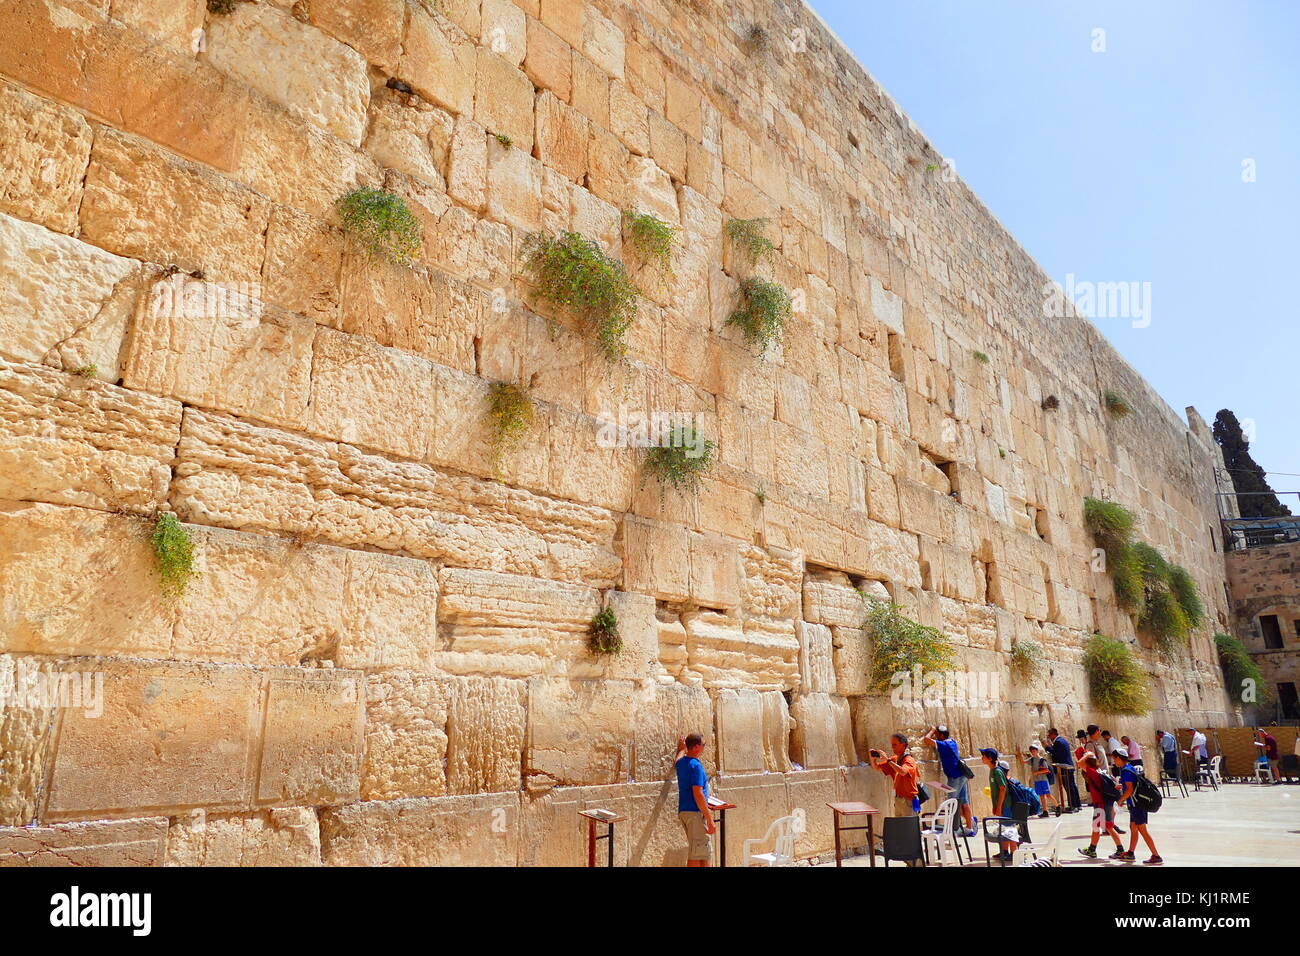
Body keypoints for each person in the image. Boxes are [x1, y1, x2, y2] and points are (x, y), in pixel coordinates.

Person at [923, 725, 976, 836]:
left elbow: (926, 739)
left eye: (937, 735)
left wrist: (932, 730)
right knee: (964, 803)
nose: (936, 737)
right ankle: (970, 826)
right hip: (962, 776)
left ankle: (952, 830)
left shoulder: (943, 745)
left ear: (941, 735)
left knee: (951, 805)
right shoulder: (952, 742)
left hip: (954, 778)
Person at [674, 733, 715, 867]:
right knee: (697, 852)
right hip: (695, 812)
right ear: (696, 747)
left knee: (702, 851)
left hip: (685, 811)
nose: (704, 748)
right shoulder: (695, 766)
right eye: (703, 745)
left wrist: (682, 749)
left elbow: (677, 760)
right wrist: (709, 818)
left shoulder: (682, 763)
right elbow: (698, 793)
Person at [1114, 751, 1163, 865]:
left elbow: (1130, 790)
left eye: (1115, 758)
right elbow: (1133, 784)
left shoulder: (1126, 771)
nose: (1114, 761)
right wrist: (1123, 786)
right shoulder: (1130, 767)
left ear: (1119, 758)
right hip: (1137, 804)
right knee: (1133, 828)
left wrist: (1120, 800)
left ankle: (1156, 855)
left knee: (1142, 830)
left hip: (1137, 805)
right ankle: (1130, 853)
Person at [1077, 753, 1125, 860]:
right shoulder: (1100, 771)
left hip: (1100, 804)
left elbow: (1079, 763)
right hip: (1107, 802)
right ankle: (1116, 849)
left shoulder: (1092, 772)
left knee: (1097, 827)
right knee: (1108, 827)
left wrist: (1088, 754)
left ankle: (1093, 850)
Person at [871, 732, 921, 817]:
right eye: (892, 744)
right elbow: (876, 768)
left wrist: (887, 760)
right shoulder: (894, 759)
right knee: (900, 828)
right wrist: (873, 759)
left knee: (909, 828)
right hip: (898, 800)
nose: (892, 747)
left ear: (903, 745)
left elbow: (903, 772)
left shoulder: (909, 760)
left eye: (895, 744)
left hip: (908, 801)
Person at [981, 748, 1017, 862]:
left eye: (984, 756)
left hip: (1006, 805)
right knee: (1004, 829)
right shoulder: (992, 771)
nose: (982, 758)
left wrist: (999, 806)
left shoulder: (997, 771)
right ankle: (1005, 852)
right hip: (1001, 805)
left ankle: (1014, 853)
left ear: (990, 758)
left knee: (1010, 829)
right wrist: (995, 805)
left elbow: (1002, 789)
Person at [1047, 728, 1081, 811]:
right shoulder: (1062, 740)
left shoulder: (1058, 742)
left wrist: (1047, 747)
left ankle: (1072, 805)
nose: (1049, 737)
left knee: (1069, 787)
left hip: (1064, 768)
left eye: (1049, 735)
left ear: (1053, 734)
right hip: (1068, 767)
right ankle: (1077, 804)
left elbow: (1055, 753)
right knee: (1072, 786)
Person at [1023, 742, 1057, 818]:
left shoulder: (1042, 760)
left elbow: (1047, 770)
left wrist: (1037, 772)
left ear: (1037, 751)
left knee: (1048, 795)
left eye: (1034, 751)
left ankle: (1057, 806)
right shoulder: (1032, 760)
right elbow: (1024, 761)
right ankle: (1045, 811)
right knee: (1041, 796)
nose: (1033, 753)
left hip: (1043, 780)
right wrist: (1019, 753)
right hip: (1037, 781)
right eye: (1031, 751)